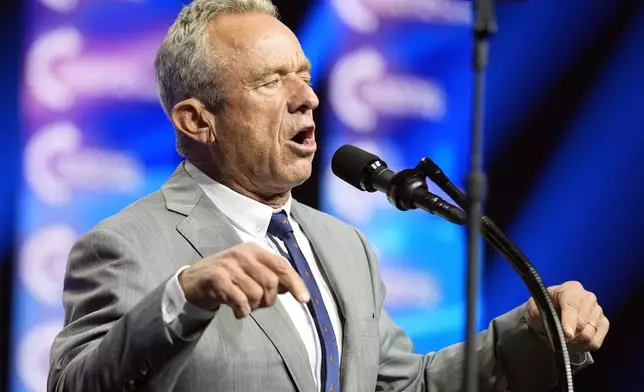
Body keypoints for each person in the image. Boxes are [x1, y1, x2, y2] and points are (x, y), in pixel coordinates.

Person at [47, 1, 609, 391]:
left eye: (305, 75)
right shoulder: (123, 245)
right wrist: (182, 297)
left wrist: (534, 331)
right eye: (270, 82)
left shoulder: (344, 246)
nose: (308, 98)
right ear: (197, 120)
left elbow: (406, 386)